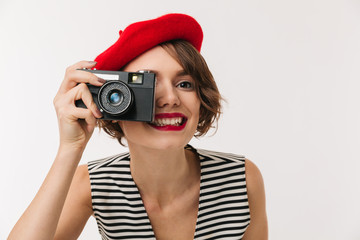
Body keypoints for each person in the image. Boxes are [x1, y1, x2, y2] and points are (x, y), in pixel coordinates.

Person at [8, 13, 267, 240]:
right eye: (147, 84)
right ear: (113, 102)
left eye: (185, 84)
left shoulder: (242, 178)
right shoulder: (92, 183)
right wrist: (70, 147)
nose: (171, 98)